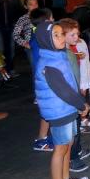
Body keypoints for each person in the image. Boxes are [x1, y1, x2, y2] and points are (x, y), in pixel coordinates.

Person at [34, 21, 90, 179]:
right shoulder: (49, 63)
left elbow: (70, 83)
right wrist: (81, 105)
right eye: (55, 35)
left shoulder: (59, 55)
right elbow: (63, 91)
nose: (60, 38)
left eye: (60, 34)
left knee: (68, 144)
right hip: (59, 111)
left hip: (67, 108)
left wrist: (78, 102)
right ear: (45, 40)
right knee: (60, 149)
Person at [58, 18, 90, 172]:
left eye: (77, 34)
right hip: (71, 98)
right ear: (62, 35)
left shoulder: (70, 52)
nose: (76, 38)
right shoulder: (63, 55)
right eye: (72, 35)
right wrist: (78, 99)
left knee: (76, 127)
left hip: (75, 94)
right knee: (72, 131)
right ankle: (72, 159)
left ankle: (76, 151)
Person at [29, 8, 55, 151]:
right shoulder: (41, 40)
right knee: (47, 111)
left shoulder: (36, 37)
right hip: (45, 79)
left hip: (42, 78)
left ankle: (43, 137)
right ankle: (41, 139)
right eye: (51, 19)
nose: (53, 21)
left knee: (48, 110)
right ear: (46, 22)